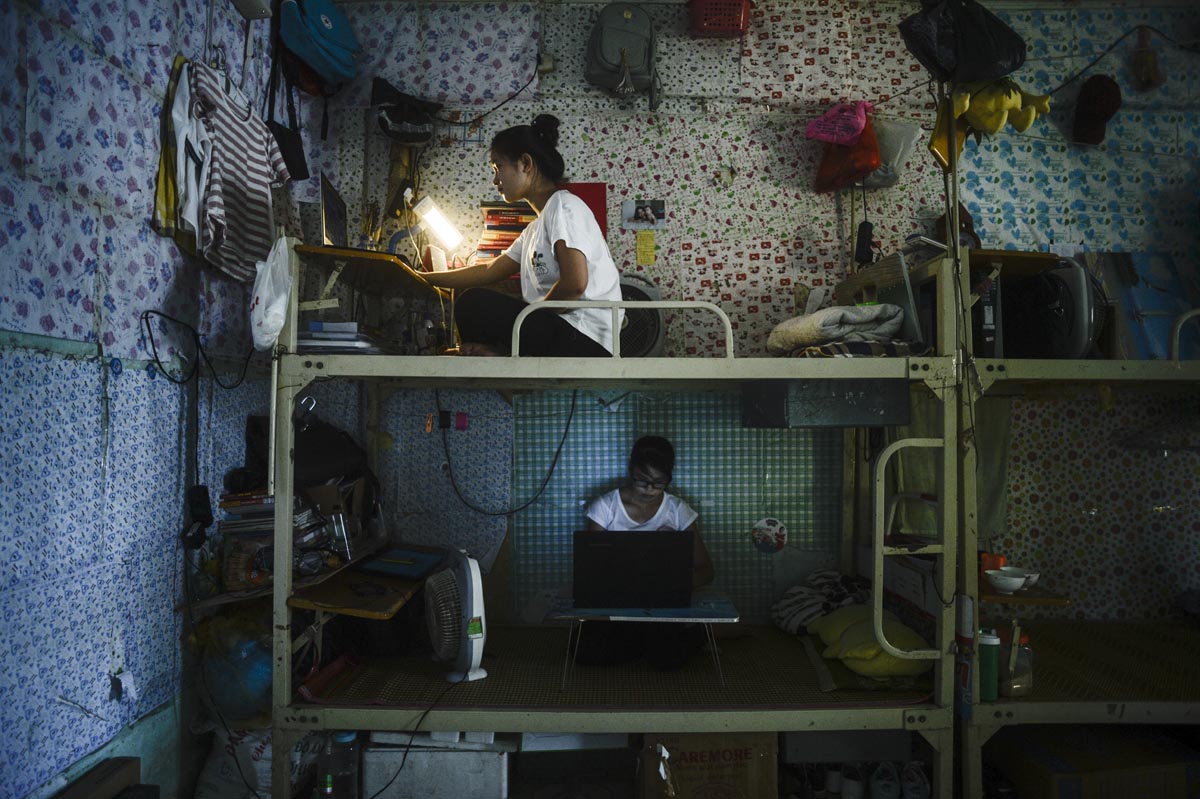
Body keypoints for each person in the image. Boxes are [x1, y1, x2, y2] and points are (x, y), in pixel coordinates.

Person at [423, 114, 622, 357]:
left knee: (473, 303)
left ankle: (499, 355)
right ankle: (496, 354)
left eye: (498, 167)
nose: (496, 180)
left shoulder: (564, 205)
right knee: (469, 301)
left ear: (526, 164)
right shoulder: (533, 230)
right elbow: (489, 270)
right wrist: (426, 278)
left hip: (585, 337)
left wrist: (528, 319)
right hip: (562, 332)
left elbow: (575, 285)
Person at [576, 436, 715, 669]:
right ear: (632, 470)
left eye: (659, 483)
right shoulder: (605, 507)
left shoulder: (678, 510)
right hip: (615, 604)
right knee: (585, 653)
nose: (650, 489)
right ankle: (647, 645)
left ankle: (687, 637)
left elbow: (706, 570)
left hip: (662, 606)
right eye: (643, 481)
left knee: (666, 661)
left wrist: (673, 584)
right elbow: (591, 568)